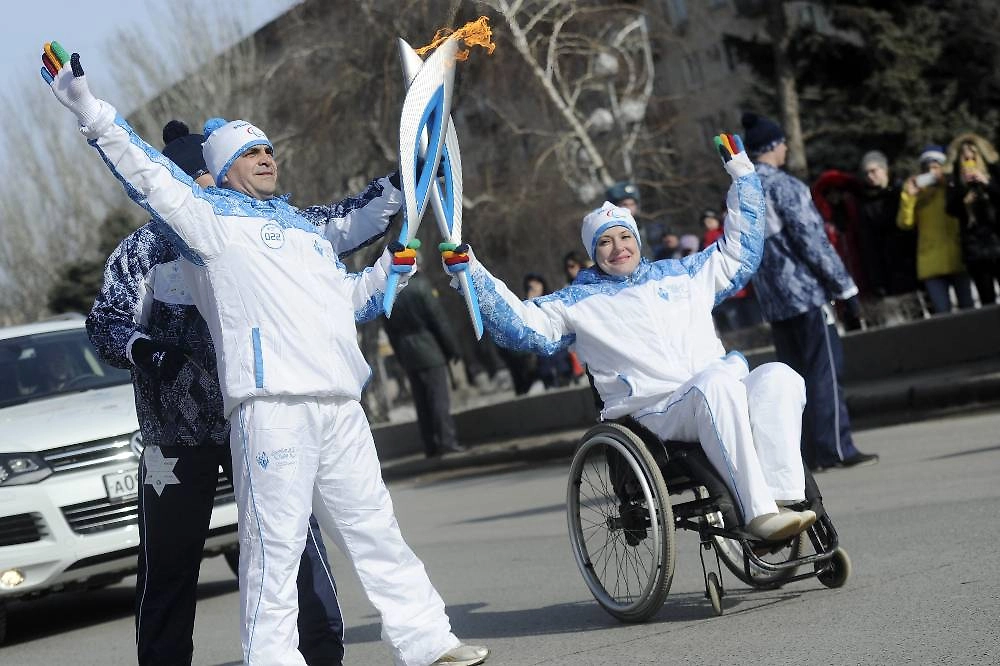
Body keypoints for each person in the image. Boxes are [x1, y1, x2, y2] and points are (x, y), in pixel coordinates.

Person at [41, 44, 487, 666]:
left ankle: (427, 640)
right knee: (271, 550)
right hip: (263, 407)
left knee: (376, 533)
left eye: (269, 148)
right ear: (220, 172)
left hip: (338, 402)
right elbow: (143, 172)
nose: (266, 157)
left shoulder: (304, 233)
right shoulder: (209, 229)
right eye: (250, 152)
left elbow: (353, 271)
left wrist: (398, 238)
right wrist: (88, 108)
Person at [86, 119, 404, 665]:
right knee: (170, 561)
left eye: (213, 176)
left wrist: (402, 184)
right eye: (196, 180)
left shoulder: (264, 228)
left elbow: (342, 221)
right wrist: (150, 352)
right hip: (178, 434)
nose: (207, 190)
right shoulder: (145, 248)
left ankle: (322, 651)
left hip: (258, 416)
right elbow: (105, 323)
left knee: (293, 544)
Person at [441, 133, 817, 542]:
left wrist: (743, 175)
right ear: (592, 252)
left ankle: (783, 500)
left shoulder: (682, 274)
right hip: (660, 409)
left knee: (780, 376)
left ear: (637, 240)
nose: (617, 248)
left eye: (624, 237)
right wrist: (471, 275)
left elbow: (739, 252)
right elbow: (520, 326)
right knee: (717, 386)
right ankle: (759, 515)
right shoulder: (576, 303)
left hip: (719, 387)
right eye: (604, 242)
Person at [741, 111, 879, 472]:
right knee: (824, 372)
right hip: (806, 294)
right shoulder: (785, 186)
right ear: (772, 146)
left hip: (774, 301)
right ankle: (834, 447)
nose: (786, 147)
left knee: (791, 380)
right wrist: (844, 287)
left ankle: (804, 455)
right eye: (782, 142)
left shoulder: (741, 190)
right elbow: (813, 242)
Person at [382, 270, 466, 458]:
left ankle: (430, 445)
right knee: (438, 399)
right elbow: (439, 320)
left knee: (421, 402)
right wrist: (452, 348)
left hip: (408, 352)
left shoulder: (388, 293)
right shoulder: (421, 287)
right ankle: (447, 441)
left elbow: (390, 331)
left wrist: (401, 356)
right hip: (429, 349)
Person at [897, 144, 974, 315]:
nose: (932, 172)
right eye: (928, 169)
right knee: (942, 315)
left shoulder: (952, 187)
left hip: (958, 257)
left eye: (936, 167)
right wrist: (909, 197)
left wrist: (949, 182)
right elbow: (905, 223)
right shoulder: (917, 191)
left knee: (969, 311)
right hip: (930, 262)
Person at [945, 133, 1000, 305]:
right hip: (975, 247)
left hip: (996, 238)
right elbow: (950, 209)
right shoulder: (955, 181)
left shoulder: (994, 173)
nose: (969, 161)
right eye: (965, 158)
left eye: (973, 156)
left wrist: (987, 184)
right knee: (987, 298)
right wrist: (964, 198)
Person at [856, 150, 919, 300]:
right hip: (890, 269)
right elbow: (870, 247)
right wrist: (877, 281)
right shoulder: (866, 205)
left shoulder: (903, 192)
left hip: (913, 260)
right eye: (866, 174)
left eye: (873, 171)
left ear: (885, 170)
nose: (870, 177)